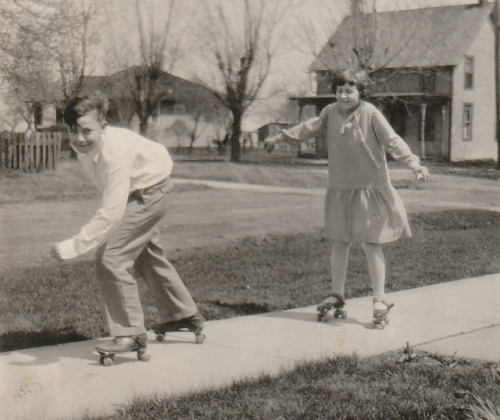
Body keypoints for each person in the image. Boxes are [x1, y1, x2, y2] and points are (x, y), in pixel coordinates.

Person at [265, 69, 429, 328]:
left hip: (369, 188)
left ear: (361, 92)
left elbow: (392, 141)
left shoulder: (371, 114)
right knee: (339, 242)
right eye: (339, 90)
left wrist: (414, 164)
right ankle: (337, 293)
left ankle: (379, 298)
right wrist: (280, 137)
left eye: (349, 90)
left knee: (371, 244)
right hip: (341, 188)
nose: (342, 95)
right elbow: (308, 128)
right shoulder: (330, 112)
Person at [52, 91, 204, 362]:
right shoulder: (84, 144)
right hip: (138, 189)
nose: (80, 138)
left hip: (151, 190)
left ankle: (130, 334)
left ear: (104, 126)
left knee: (111, 257)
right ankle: (183, 314)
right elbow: (108, 188)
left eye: (87, 130)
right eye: (73, 131)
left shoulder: (113, 152)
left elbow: (111, 212)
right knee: (147, 255)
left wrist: (73, 246)